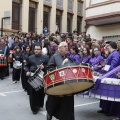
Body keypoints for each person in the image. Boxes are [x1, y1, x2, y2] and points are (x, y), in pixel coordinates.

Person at [46, 42, 75, 120]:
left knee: (67, 107)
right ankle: (49, 115)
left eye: (67, 46)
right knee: (52, 106)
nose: (66, 47)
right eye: (64, 46)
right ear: (59, 48)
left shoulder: (70, 58)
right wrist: (59, 70)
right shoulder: (54, 57)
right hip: (57, 85)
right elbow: (49, 69)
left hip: (68, 86)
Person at [25, 44, 49, 114]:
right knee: (33, 94)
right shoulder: (30, 57)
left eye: (38, 49)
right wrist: (27, 71)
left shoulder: (45, 57)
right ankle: (34, 108)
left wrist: (44, 67)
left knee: (41, 93)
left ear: (41, 50)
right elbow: (26, 66)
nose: (36, 50)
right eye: (35, 49)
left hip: (42, 78)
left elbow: (49, 66)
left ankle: (39, 105)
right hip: (33, 78)